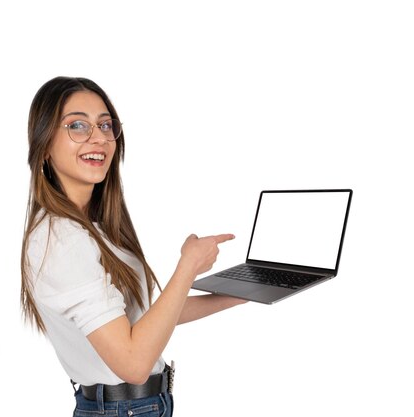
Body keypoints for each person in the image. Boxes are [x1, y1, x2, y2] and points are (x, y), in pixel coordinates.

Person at [20, 76, 247, 416]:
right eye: (77, 125)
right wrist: (187, 267)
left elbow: (141, 320)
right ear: (44, 143)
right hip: (125, 408)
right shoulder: (65, 241)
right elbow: (134, 363)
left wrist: (242, 292)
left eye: (105, 124)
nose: (98, 137)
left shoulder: (92, 227)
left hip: (139, 406)